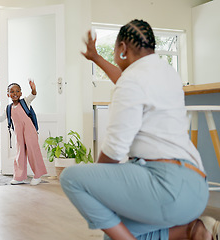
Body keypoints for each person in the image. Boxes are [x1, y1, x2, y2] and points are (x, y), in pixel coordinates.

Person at [60, 19, 219, 240]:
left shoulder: (133, 81)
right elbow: (126, 80)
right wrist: (96, 58)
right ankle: (193, 231)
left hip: (167, 186)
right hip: (195, 190)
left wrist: (100, 185)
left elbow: (114, 150)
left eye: (115, 49)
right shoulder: (166, 72)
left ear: (123, 48)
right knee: (115, 232)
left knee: (71, 178)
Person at [0, 80, 47, 185]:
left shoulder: (25, 102)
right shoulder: (8, 108)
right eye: (12, 91)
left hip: (30, 131)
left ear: (21, 93)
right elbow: (1, 119)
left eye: (17, 91)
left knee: (33, 151)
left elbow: (33, 95)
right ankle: (19, 177)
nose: (15, 93)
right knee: (20, 154)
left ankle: (38, 175)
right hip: (18, 133)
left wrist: (33, 89)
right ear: (8, 94)